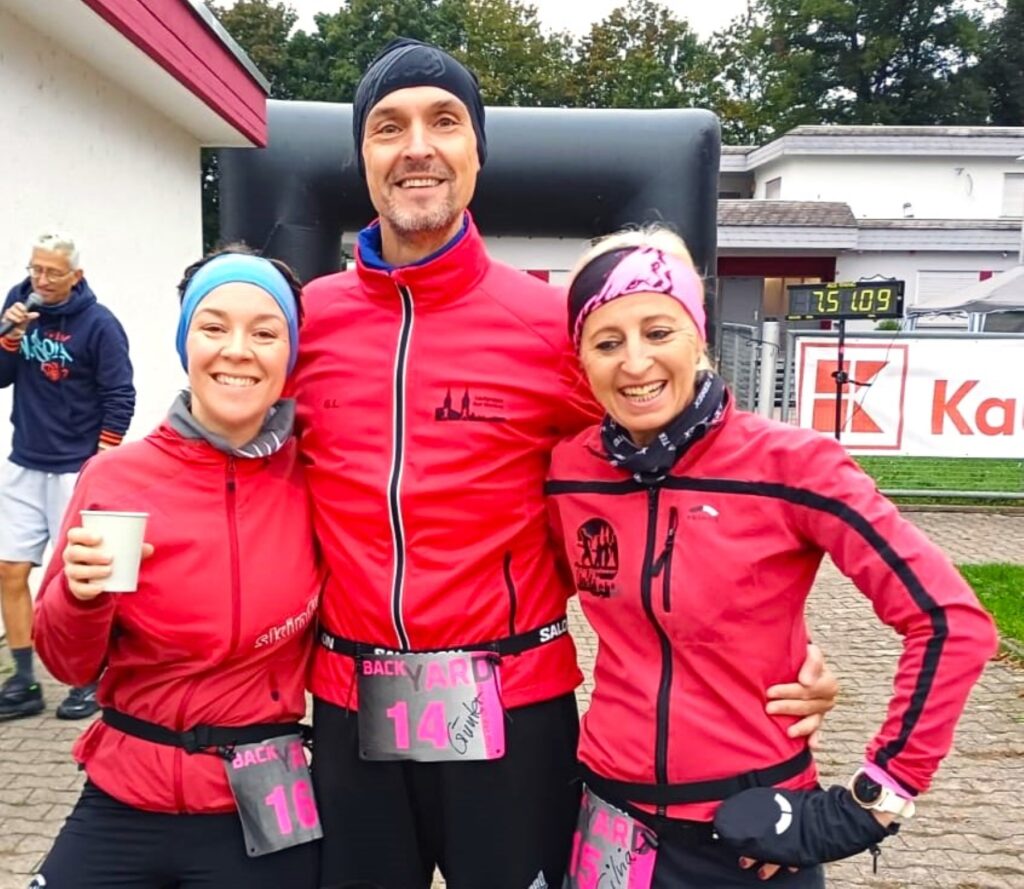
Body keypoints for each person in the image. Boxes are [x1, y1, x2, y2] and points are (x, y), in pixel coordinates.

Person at [293, 38, 837, 889]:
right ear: (362, 154)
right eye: (388, 127)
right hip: (348, 702)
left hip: (511, 705)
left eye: (444, 122)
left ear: (478, 150)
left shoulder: (553, 326)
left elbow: (685, 482)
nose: (417, 147)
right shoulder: (305, 323)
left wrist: (774, 650)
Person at [545, 226, 999, 888]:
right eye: (607, 342)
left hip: (752, 834)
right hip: (608, 821)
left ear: (698, 335)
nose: (635, 362)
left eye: (659, 331)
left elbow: (951, 622)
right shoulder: (570, 471)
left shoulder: (792, 464)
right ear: (583, 358)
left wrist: (882, 792)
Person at [29, 249, 322, 888]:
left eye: (265, 333)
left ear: (290, 354)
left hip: (263, 793)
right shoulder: (115, 477)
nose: (237, 350)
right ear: (185, 341)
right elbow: (69, 666)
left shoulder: (316, 478)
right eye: (213, 327)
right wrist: (79, 598)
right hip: (126, 789)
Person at [0, 232, 135, 721]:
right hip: (24, 461)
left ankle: (88, 678)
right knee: (10, 571)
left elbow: (120, 396)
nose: (41, 280)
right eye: (35, 269)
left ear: (76, 276)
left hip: (75, 469)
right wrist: (10, 336)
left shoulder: (100, 325)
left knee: (79, 580)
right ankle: (23, 680)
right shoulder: (19, 304)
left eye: (53, 272)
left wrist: (100, 464)